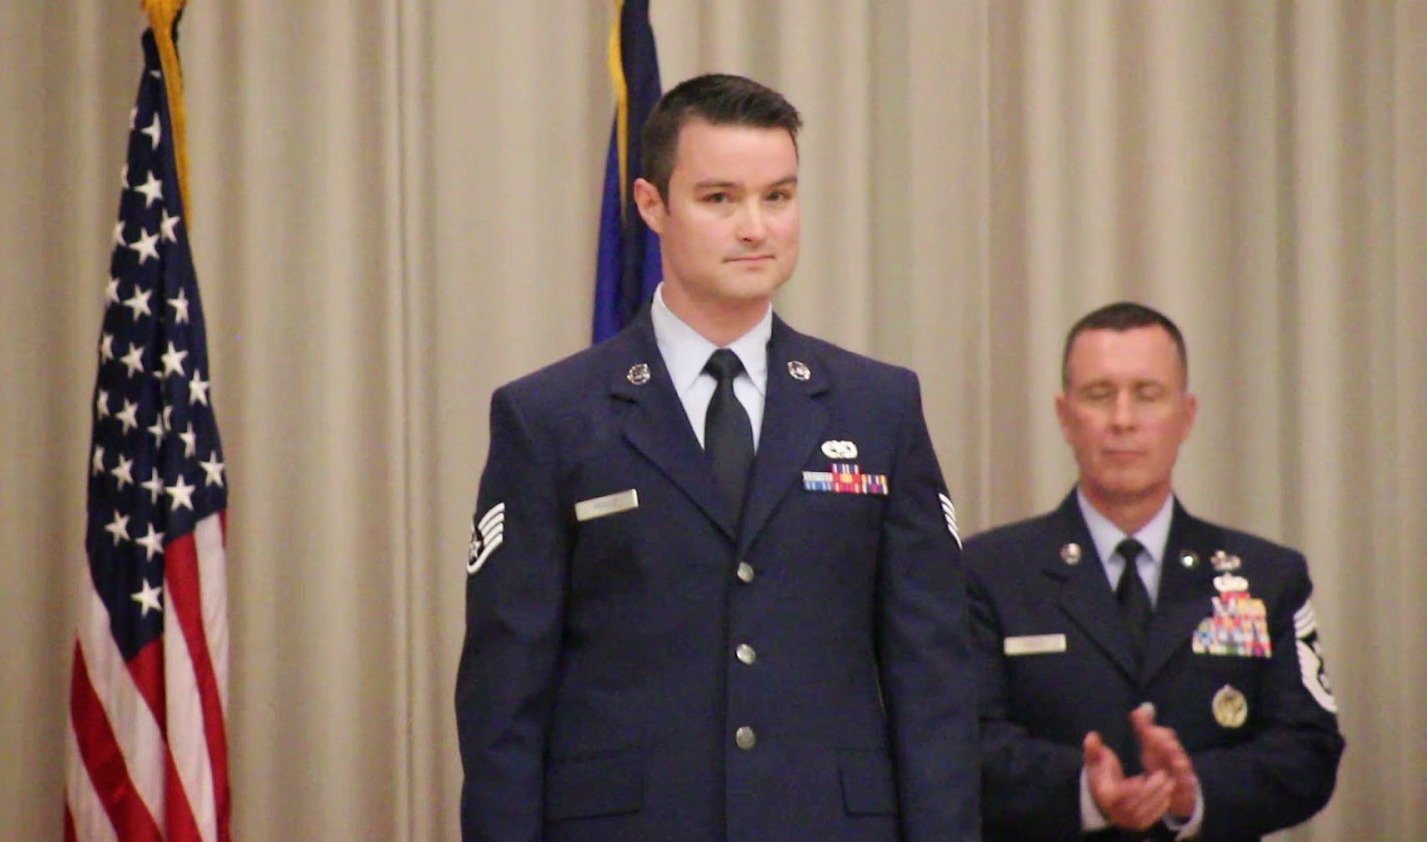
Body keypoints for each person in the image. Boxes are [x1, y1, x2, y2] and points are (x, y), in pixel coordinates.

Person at [455, 73, 979, 841]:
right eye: (720, 199)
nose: (755, 228)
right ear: (651, 205)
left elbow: (932, 678)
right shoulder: (550, 417)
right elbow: (504, 699)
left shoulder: (878, 406)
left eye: (778, 196)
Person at [965, 301, 1343, 840]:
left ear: (1186, 415)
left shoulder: (1268, 578)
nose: (1123, 419)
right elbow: (959, 740)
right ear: (1065, 416)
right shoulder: (989, 572)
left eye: (1147, 394)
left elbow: (1308, 751)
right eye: (1100, 394)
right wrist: (1084, 790)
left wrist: (1193, 793)